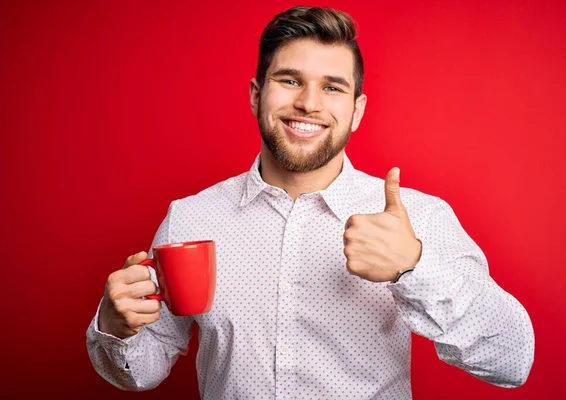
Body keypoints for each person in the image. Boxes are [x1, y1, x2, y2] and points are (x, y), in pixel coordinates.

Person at [86, 6, 535, 399]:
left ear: (357, 110)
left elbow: (512, 361)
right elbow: (140, 373)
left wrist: (413, 267)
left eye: (332, 88)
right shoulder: (190, 217)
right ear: (256, 95)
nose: (307, 103)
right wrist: (114, 325)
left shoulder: (418, 218)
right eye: (289, 80)